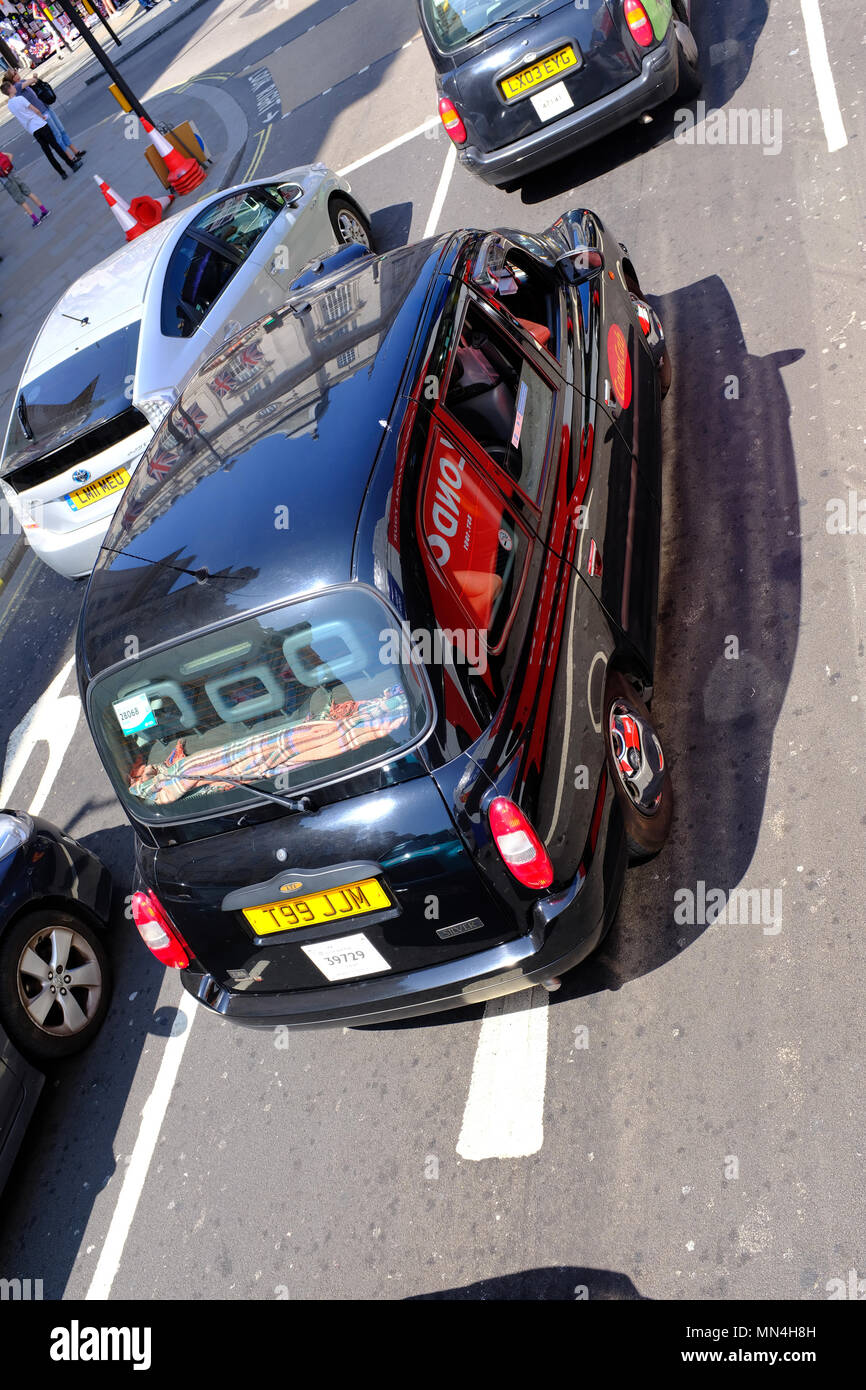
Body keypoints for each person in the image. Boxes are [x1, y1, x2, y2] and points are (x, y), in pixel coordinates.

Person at [3, 71, 85, 163]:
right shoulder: (17, 87)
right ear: (13, 78)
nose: (17, 73)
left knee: (61, 130)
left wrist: (33, 78)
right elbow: (32, 80)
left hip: (46, 107)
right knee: (57, 134)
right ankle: (70, 157)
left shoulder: (22, 81)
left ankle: (76, 151)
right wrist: (34, 78)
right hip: (42, 113)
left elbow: (33, 80)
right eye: (15, 73)